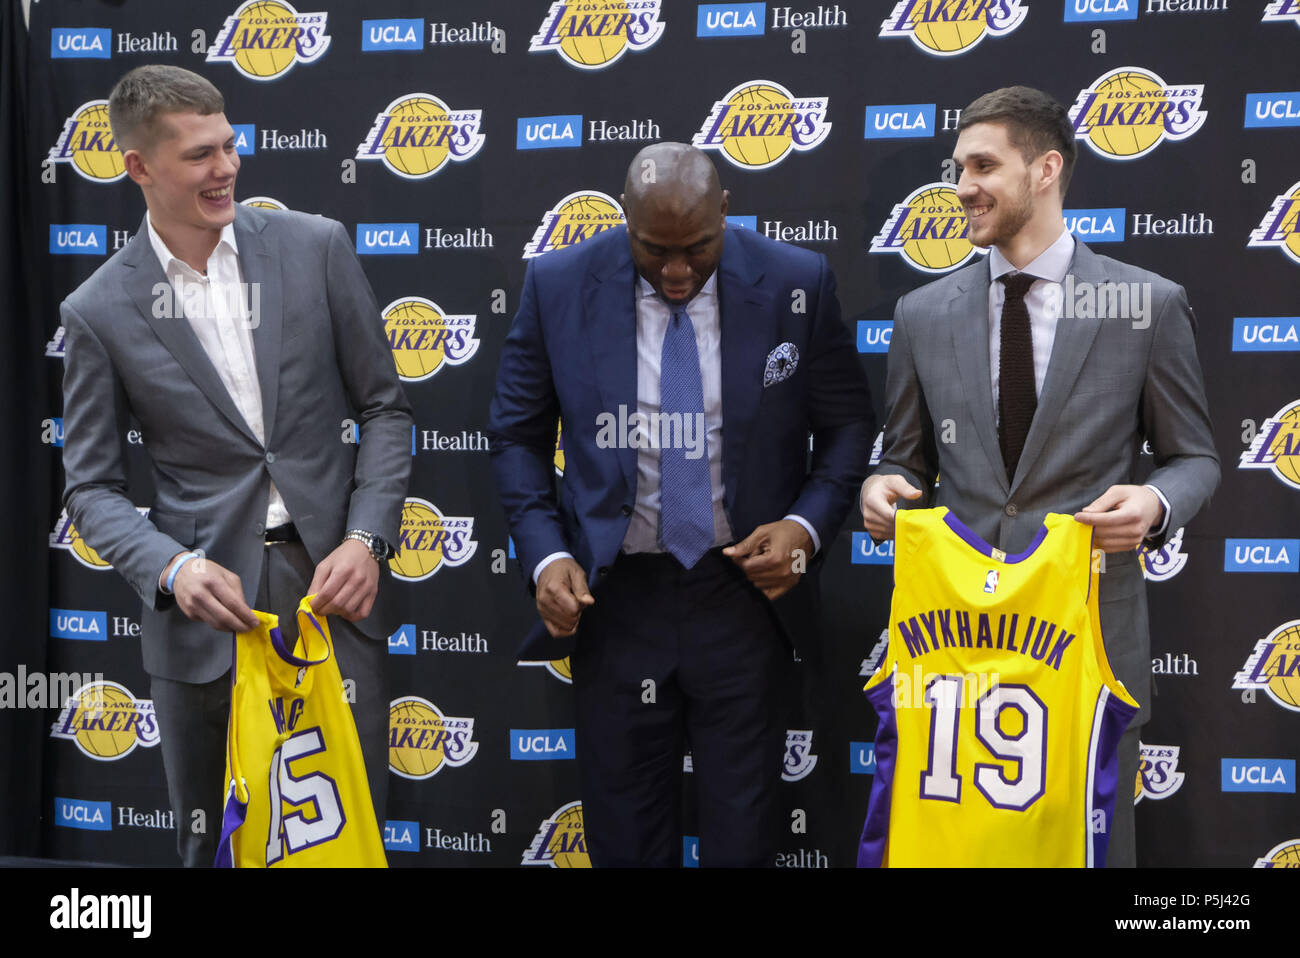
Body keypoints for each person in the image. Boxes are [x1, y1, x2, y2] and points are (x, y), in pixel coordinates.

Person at [60, 65, 412, 866]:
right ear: (138, 168)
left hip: (331, 598)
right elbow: (91, 488)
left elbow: (386, 409)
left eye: (229, 146)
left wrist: (367, 538)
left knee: (346, 839)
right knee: (219, 846)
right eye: (198, 156)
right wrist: (173, 568)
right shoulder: (96, 310)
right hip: (203, 621)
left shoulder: (313, 246)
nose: (225, 169)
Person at [860, 86, 1220, 867]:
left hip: (1088, 646)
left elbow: (1197, 457)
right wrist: (880, 485)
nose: (962, 186)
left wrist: (1157, 503)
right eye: (957, 168)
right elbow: (903, 457)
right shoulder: (922, 314)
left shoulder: (1147, 306)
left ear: (1047, 168)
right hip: (953, 655)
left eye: (984, 165)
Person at [488, 143, 873, 867]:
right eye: (651, 249)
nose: (674, 271)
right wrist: (548, 553)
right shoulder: (559, 283)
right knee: (626, 841)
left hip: (744, 603)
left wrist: (804, 526)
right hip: (616, 604)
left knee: (745, 839)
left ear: (724, 212)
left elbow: (850, 424)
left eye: (696, 248)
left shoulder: (797, 281)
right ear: (623, 218)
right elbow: (516, 436)